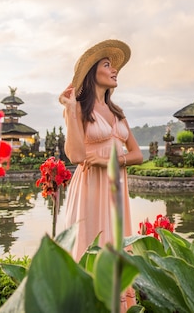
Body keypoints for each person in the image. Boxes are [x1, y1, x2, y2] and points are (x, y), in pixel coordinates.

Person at [59, 38, 143, 259]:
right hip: (90, 185)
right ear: (91, 73)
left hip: (115, 185)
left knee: (116, 244)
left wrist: (110, 162)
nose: (114, 70)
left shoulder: (117, 112)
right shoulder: (78, 109)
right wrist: (69, 111)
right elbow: (76, 155)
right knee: (90, 245)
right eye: (107, 65)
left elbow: (138, 154)